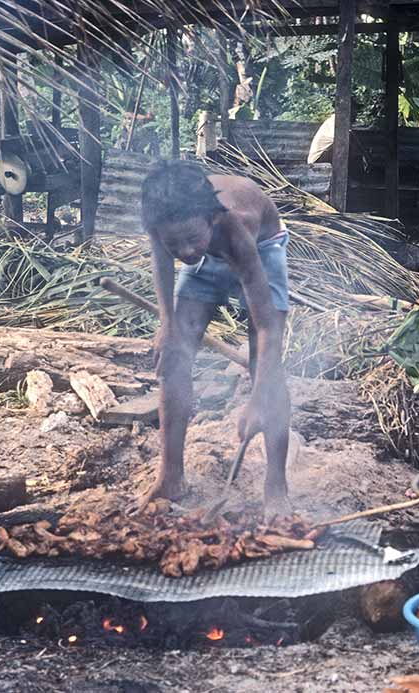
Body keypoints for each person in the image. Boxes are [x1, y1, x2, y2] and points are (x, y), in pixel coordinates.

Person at [137, 160, 291, 514]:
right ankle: (171, 477)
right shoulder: (165, 220)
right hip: (211, 252)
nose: (185, 252)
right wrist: (168, 324)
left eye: (192, 239)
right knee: (175, 359)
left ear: (212, 218)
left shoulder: (238, 229)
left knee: (266, 368)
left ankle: (276, 486)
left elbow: (268, 326)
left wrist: (257, 398)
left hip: (261, 247)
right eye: (176, 243)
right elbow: (163, 259)